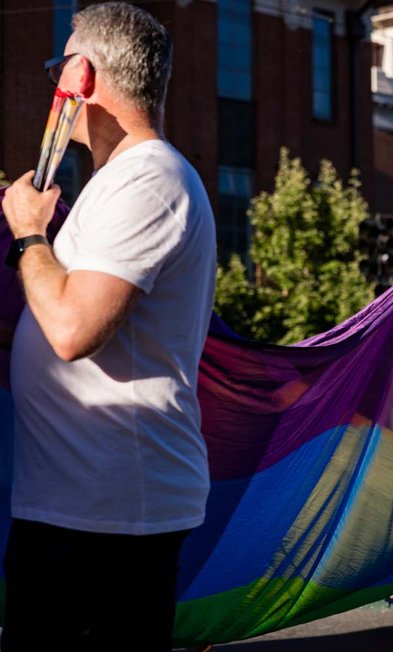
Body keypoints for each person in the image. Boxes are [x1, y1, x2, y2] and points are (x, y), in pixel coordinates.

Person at [0, 3, 216, 650]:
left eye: (56, 66)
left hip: (110, 517)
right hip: (78, 506)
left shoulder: (149, 181)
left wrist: (29, 233)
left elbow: (70, 328)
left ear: (81, 76)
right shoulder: (115, 181)